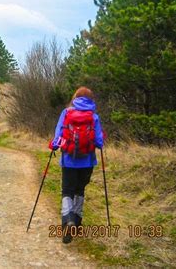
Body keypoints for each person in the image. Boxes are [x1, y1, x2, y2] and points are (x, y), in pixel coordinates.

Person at [50, 86, 104, 244]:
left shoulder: (66, 113)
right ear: (91, 99)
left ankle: (67, 220)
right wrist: (99, 142)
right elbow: (99, 142)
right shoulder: (94, 117)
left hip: (68, 160)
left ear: (75, 97)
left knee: (67, 190)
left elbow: (59, 134)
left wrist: (54, 145)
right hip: (87, 161)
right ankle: (77, 221)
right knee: (80, 189)